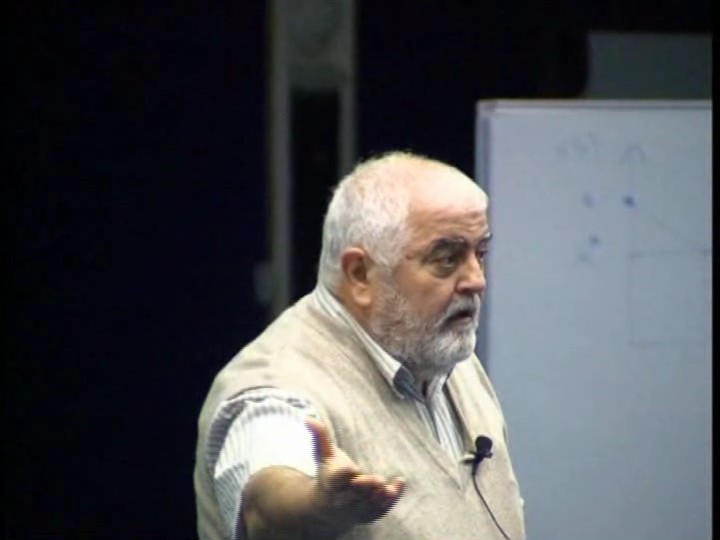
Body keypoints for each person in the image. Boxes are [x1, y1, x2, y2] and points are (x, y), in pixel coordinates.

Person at [193, 151, 526, 540]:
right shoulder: (275, 387)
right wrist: (316, 505)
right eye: (446, 259)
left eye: (480, 253)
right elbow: (264, 507)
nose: (476, 280)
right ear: (360, 274)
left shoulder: (439, 348)